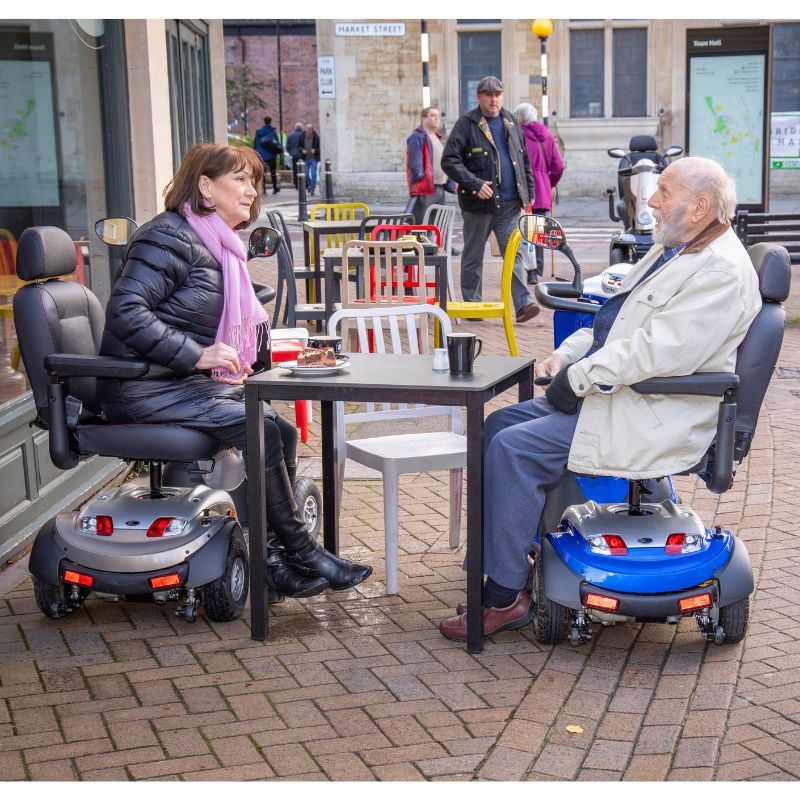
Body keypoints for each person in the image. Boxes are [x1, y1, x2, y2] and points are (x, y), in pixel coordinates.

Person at [438, 156, 762, 642]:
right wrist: (563, 357)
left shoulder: (720, 270)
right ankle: (497, 568)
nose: (651, 201)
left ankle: (505, 597)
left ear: (698, 207)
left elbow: (656, 353)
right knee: (496, 427)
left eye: (664, 192)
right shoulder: (680, 247)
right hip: (627, 397)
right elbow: (614, 319)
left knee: (514, 450)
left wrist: (580, 379)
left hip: (654, 411)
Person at [98, 143, 371, 604]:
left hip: (177, 383)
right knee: (259, 428)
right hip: (141, 387)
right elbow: (126, 311)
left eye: (255, 181)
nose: (252, 192)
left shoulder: (217, 244)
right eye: (240, 180)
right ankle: (304, 552)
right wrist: (197, 354)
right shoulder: (167, 237)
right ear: (205, 187)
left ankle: (272, 561)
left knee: (279, 431)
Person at [441, 76, 540, 323]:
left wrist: (528, 193)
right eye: (488, 95)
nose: (493, 99)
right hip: (478, 205)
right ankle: (473, 305)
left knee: (513, 254)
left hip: (509, 204)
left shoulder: (510, 121)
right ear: (479, 97)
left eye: (497, 95)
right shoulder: (467, 124)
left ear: (502, 96)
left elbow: (523, 160)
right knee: (473, 254)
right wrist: (474, 183)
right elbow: (449, 160)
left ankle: (522, 304)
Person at [514, 102, 565, 284]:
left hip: (522, 188)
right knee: (538, 231)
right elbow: (558, 166)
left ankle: (529, 269)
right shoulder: (548, 136)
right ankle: (537, 270)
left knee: (523, 230)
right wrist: (548, 183)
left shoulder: (517, 135)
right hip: (542, 190)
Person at [405, 107, 456, 224]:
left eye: (438, 116)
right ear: (424, 119)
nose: (437, 118)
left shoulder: (435, 137)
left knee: (436, 224)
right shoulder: (418, 136)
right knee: (418, 223)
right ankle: (412, 243)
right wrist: (420, 176)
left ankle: (430, 243)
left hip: (439, 187)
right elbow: (415, 162)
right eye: (432, 115)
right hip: (425, 188)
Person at [253, 116, 281, 194]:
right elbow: (276, 143)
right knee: (273, 172)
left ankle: (263, 189)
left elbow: (255, 143)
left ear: (264, 121)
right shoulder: (273, 131)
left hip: (261, 155)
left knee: (263, 173)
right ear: (270, 121)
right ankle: (275, 188)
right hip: (271, 155)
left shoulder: (259, 132)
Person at [301, 123, 321, 196]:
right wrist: (302, 150)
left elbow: (319, 148)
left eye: (310, 129)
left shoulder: (316, 137)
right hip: (306, 158)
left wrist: (315, 150)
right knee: (305, 173)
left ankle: (312, 189)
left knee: (313, 173)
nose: (308, 131)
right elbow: (299, 146)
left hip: (313, 158)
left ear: (312, 130)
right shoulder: (303, 136)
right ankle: (310, 185)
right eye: (307, 129)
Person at [285, 122, 304, 189]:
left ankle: (296, 185)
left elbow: (287, 146)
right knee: (303, 170)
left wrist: (290, 153)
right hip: (302, 155)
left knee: (295, 170)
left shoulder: (290, 135)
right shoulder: (303, 134)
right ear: (301, 128)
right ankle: (304, 185)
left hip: (294, 156)